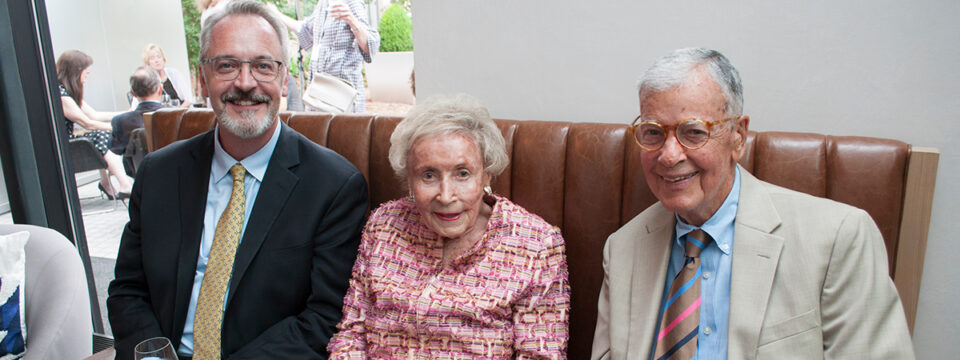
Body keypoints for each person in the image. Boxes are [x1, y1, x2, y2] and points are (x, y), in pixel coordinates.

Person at [590, 48, 915, 359]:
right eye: (653, 132)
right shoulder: (623, 250)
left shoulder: (837, 239)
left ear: (738, 136)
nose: (670, 154)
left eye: (693, 132)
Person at [107, 2, 369, 359]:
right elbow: (128, 290)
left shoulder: (334, 186)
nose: (245, 83)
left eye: (263, 66)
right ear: (203, 79)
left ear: (284, 79)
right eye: (227, 66)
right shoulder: (158, 173)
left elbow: (324, 318)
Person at [327, 94, 571, 358]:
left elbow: (540, 355)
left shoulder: (535, 244)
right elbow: (352, 333)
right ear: (410, 179)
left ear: (486, 173)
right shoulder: (384, 225)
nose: (445, 196)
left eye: (462, 173)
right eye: (428, 175)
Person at [269, 0, 379, 113]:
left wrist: (352, 20)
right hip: (319, 93)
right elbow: (304, 29)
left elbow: (371, 45)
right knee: (317, 127)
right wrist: (276, 13)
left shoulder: (352, 3)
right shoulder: (323, 4)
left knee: (345, 129)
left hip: (342, 95)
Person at [56, 49, 134, 198]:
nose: (88, 72)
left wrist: (128, 113)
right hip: (63, 144)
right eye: (86, 69)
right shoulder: (61, 95)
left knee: (103, 136)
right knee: (103, 135)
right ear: (75, 70)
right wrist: (117, 128)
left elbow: (94, 115)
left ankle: (106, 183)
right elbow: (88, 123)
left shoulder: (67, 91)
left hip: (70, 140)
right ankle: (125, 185)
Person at [109, 66, 165, 175]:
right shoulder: (177, 116)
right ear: (160, 89)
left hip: (141, 178)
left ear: (133, 93)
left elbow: (116, 149)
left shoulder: (120, 121)